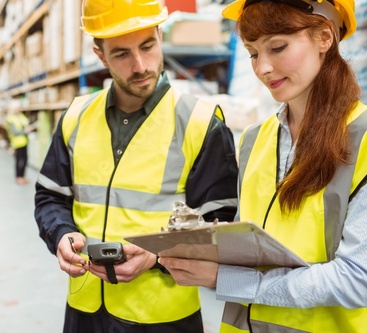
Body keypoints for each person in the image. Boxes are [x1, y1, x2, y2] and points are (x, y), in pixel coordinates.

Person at [159, 0, 367, 331]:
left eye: (278, 47)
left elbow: (359, 279)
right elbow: (253, 247)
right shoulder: (253, 140)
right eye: (253, 53)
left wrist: (226, 279)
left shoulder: (366, 139)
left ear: (325, 37)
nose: (262, 69)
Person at [33, 0, 238, 331]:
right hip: (85, 308)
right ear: (100, 55)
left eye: (147, 46)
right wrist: (62, 233)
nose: (140, 65)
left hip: (162, 316)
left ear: (160, 35)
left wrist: (156, 256)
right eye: (121, 54)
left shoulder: (201, 123)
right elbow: (50, 197)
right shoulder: (76, 117)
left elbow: (221, 225)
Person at [5, 102, 33, 185]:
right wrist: (26, 131)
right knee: (19, 161)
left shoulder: (21, 116)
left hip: (24, 141)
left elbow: (25, 123)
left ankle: (22, 176)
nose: (20, 109)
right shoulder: (10, 118)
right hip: (17, 143)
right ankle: (19, 177)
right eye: (18, 108)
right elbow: (15, 132)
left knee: (24, 160)